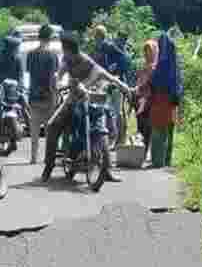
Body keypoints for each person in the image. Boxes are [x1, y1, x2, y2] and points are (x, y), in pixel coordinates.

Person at [41, 31, 134, 183]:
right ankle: (49, 166)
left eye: (65, 50)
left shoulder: (86, 61)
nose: (64, 54)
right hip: (72, 102)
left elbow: (105, 74)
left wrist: (125, 88)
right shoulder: (67, 60)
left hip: (91, 103)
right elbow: (60, 73)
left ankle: (107, 170)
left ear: (70, 50)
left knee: (103, 128)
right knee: (52, 127)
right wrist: (58, 81)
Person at [137, 31, 182, 169]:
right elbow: (177, 82)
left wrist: (144, 86)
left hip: (161, 99)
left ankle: (158, 161)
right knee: (168, 129)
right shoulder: (175, 64)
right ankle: (166, 160)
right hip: (172, 99)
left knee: (158, 129)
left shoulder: (162, 64)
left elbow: (155, 80)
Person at [26, 23, 59, 166]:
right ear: (50, 38)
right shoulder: (52, 55)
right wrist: (56, 94)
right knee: (49, 129)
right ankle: (47, 158)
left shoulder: (30, 54)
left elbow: (30, 73)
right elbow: (53, 77)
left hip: (34, 94)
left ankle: (33, 157)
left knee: (34, 127)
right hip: (48, 95)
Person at [135, 37, 158, 159]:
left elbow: (148, 81)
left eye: (149, 50)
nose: (147, 53)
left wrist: (139, 86)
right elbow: (140, 79)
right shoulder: (144, 65)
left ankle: (145, 151)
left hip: (150, 100)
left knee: (147, 126)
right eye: (146, 50)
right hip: (140, 99)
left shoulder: (155, 66)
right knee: (140, 125)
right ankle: (140, 151)